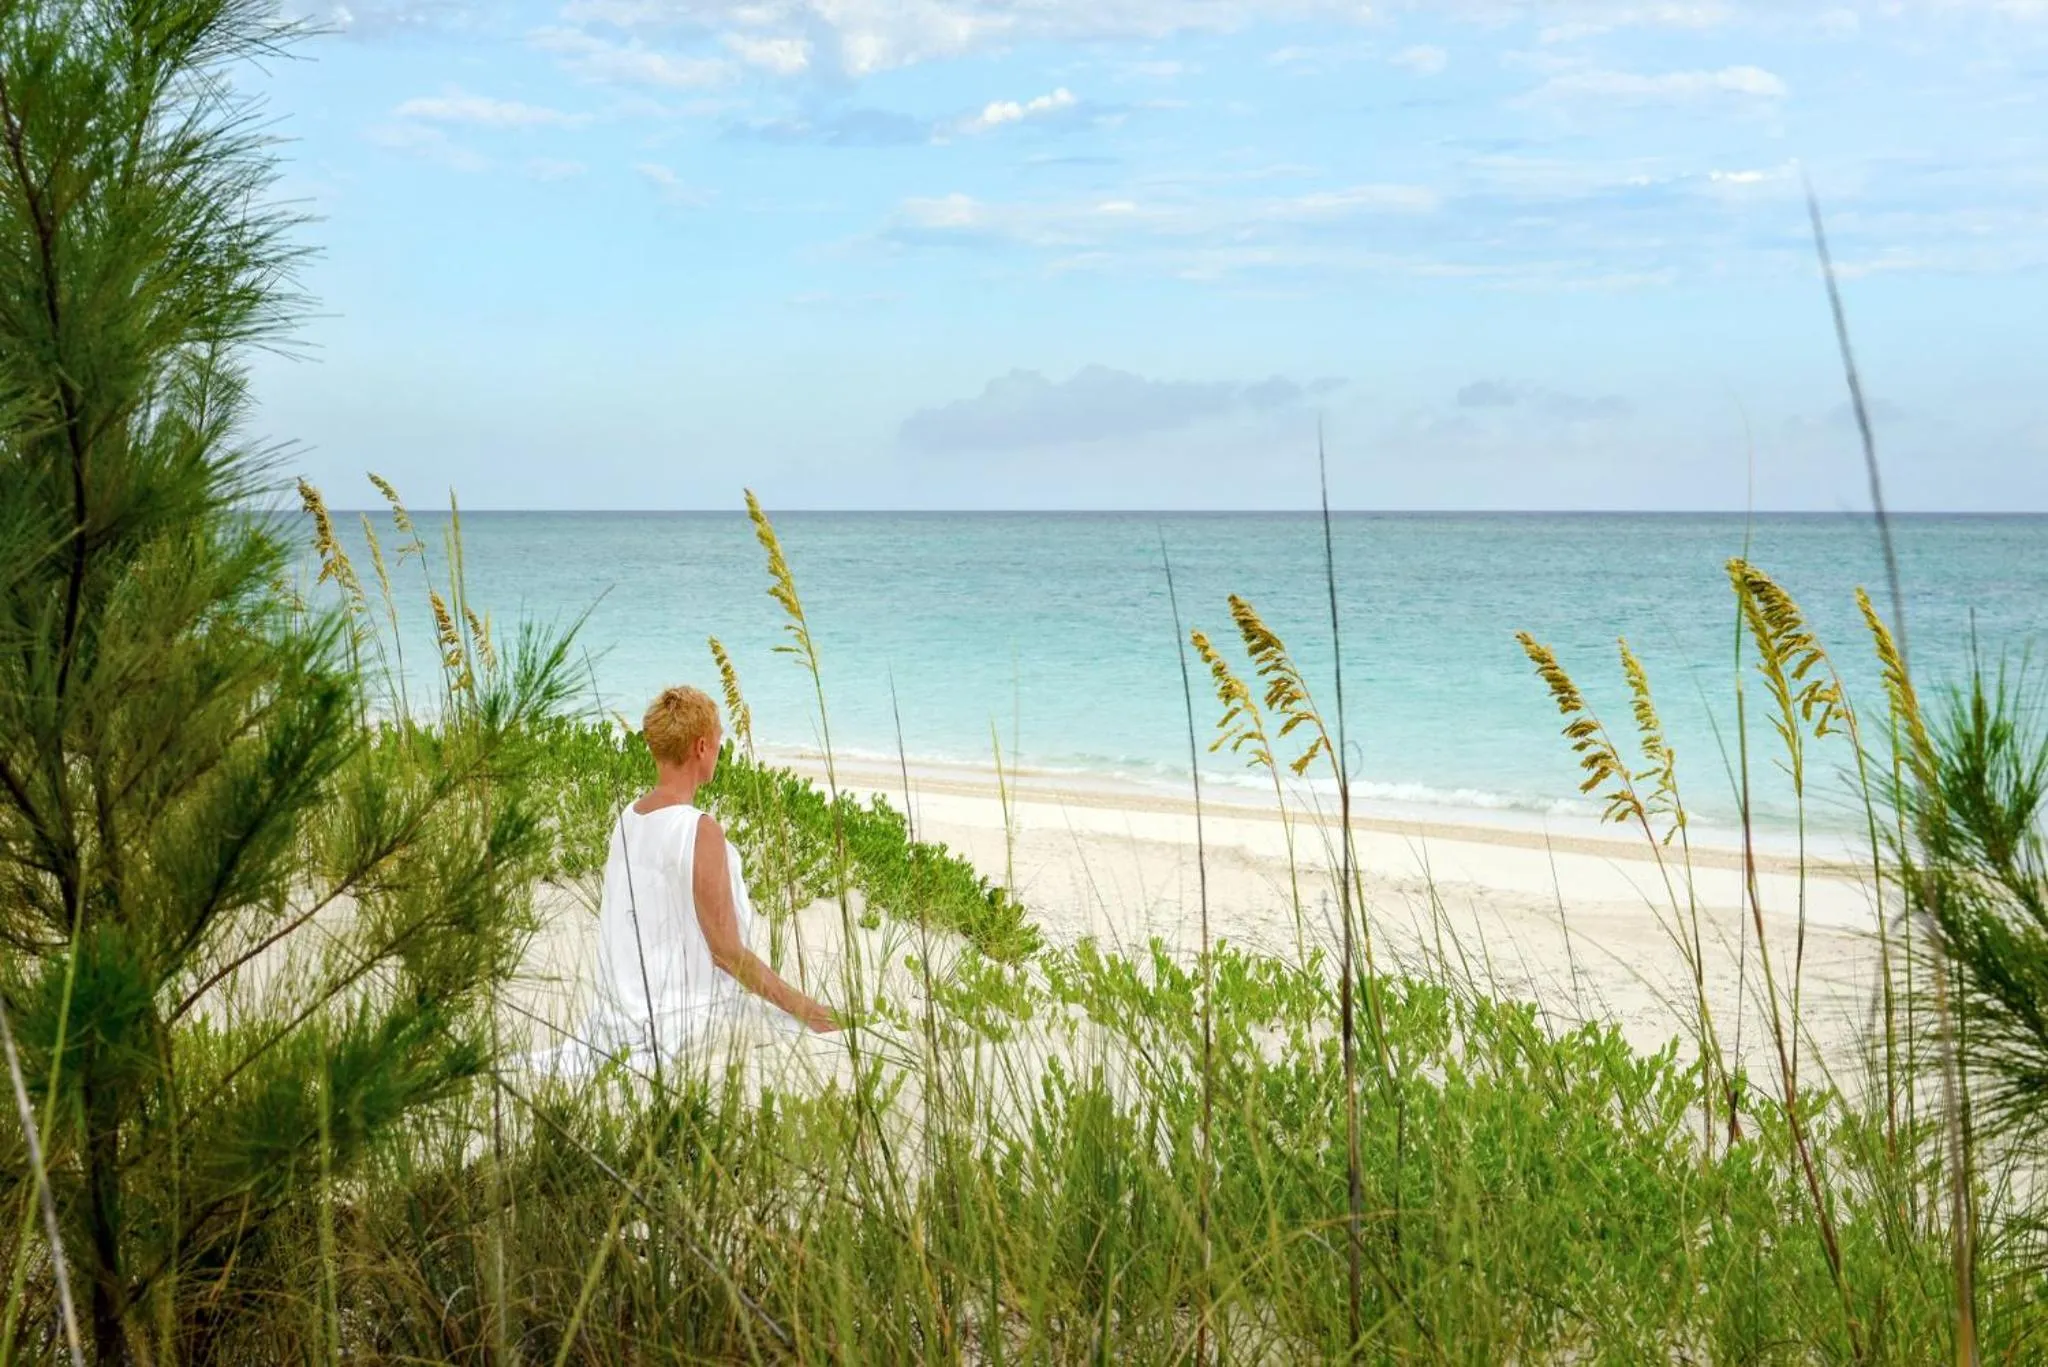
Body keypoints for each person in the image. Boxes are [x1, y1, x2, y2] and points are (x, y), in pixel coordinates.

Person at [588, 684, 838, 1059]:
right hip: (681, 1016)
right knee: (808, 1030)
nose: (721, 747)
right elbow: (726, 953)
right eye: (719, 737)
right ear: (701, 747)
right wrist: (812, 1011)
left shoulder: (628, 817)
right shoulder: (699, 829)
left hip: (619, 1013)